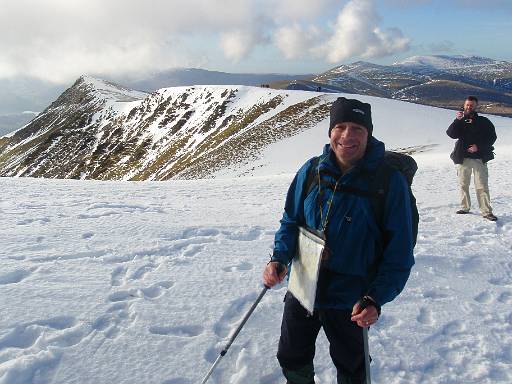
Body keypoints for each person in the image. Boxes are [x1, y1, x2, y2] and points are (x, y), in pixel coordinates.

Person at [262, 97, 415, 384]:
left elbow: (400, 253)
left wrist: (376, 298)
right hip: (304, 285)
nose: (347, 136)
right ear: (331, 131)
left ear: (369, 133)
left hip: (352, 297)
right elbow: (291, 221)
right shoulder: (311, 170)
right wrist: (279, 258)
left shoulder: (388, 183)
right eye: (340, 126)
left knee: (353, 366)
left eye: (357, 128)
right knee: (291, 356)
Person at [446, 95, 497, 221]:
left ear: (476, 107)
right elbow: (451, 134)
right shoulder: (460, 121)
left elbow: (492, 138)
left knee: (482, 185)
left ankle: (486, 212)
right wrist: (457, 120)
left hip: (479, 158)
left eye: (472, 105)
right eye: (467, 105)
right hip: (463, 158)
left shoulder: (484, 121)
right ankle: (464, 207)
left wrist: (478, 147)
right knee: (463, 184)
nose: (469, 107)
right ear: (464, 105)